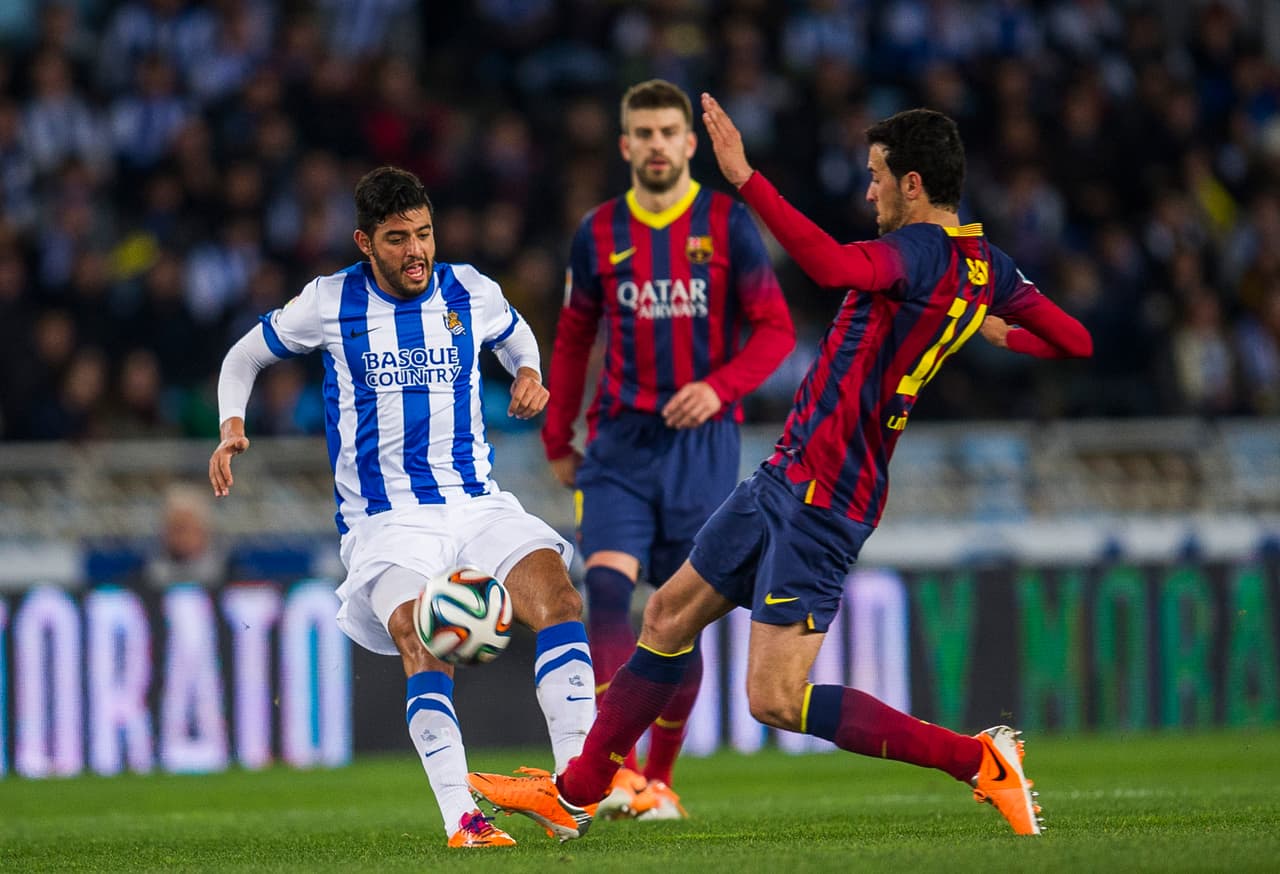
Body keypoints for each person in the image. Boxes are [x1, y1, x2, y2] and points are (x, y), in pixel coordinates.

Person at [468, 95, 1093, 841]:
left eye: (877, 178)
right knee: (667, 616)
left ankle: (979, 760)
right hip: (784, 476)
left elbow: (831, 267)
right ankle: (573, 796)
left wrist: (745, 178)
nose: (870, 192)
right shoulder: (990, 267)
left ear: (914, 185)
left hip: (826, 500)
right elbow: (1074, 343)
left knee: (775, 697)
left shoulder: (920, 252)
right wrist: (992, 330)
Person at [208, 166, 596, 850]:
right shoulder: (329, 303)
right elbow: (244, 355)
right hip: (386, 523)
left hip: (476, 502)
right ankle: (463, 821)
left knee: (561, 600)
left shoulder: (469, 288)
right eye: (397, 239)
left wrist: (529, 373)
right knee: (423, 645)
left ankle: (572, 793)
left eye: (424, 234)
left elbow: (516, 336)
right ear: (365, 242)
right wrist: (231, 425)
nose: (417, 250)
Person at [542, 78, 795, 820]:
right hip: (619, 442)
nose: (655, 145)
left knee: (678, 615)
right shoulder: (597, 233)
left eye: (667, 133)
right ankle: (614, 773)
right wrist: (559, 433)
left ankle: (659, 777)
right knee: (609, 591)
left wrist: (720, 387)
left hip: (703, 449)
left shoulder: (727, 224)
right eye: (642, 133)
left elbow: (776, 330)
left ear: (689, 144)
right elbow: (573, 338)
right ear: (626, 146)